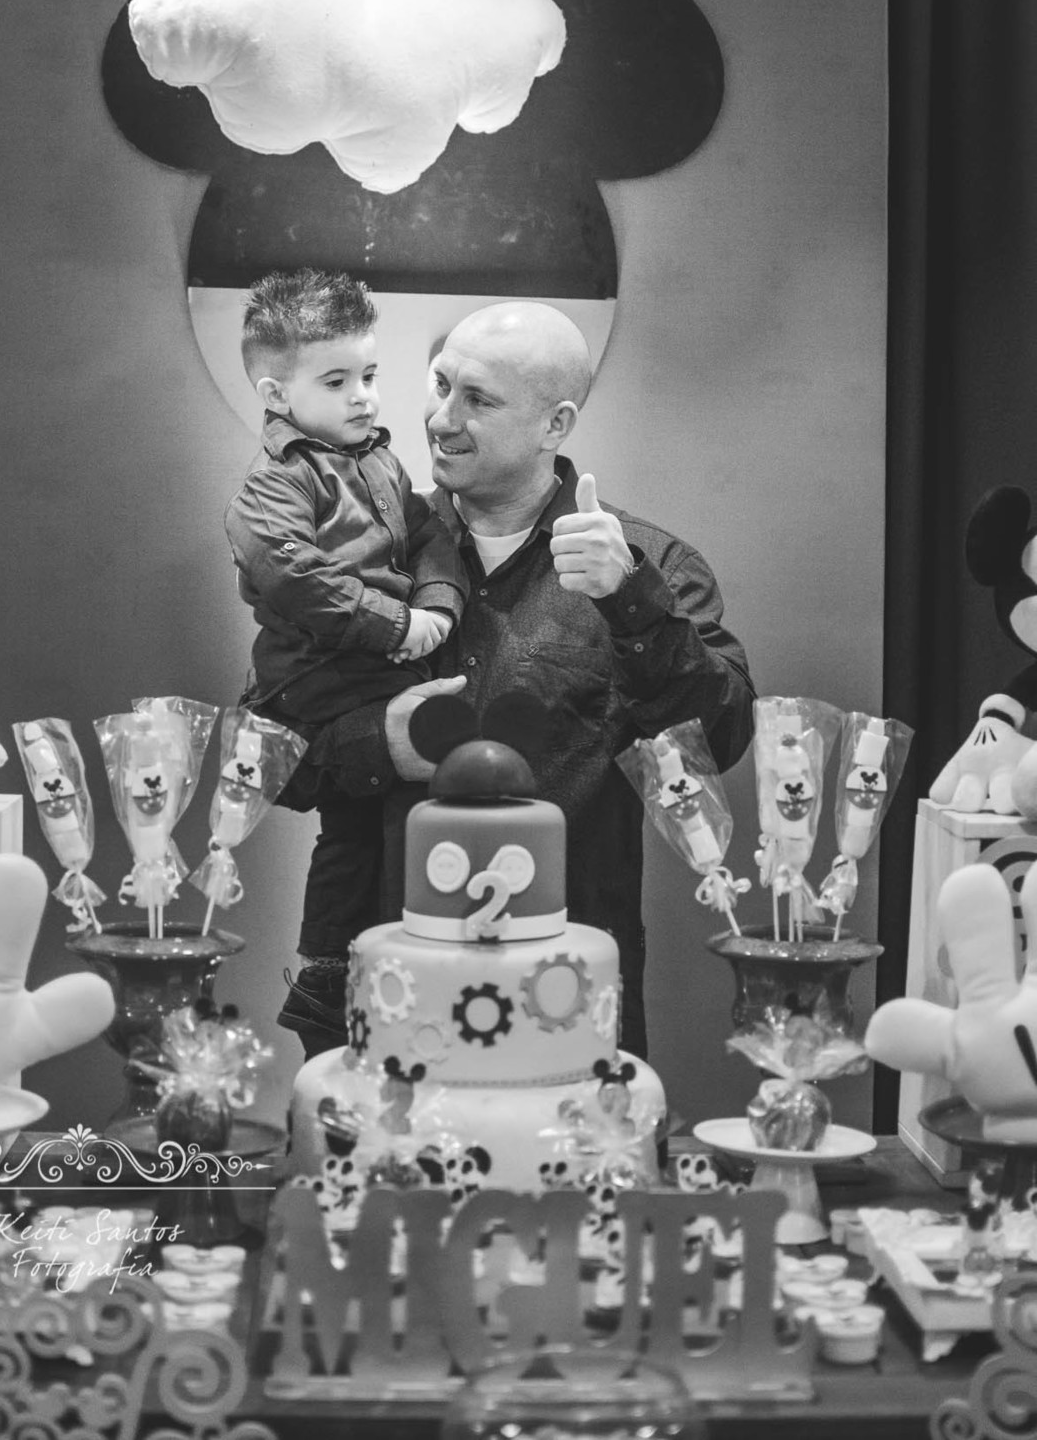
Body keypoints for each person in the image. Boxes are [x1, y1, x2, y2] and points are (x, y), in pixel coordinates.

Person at [276, 298, 755, 1060]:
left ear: (554, 425)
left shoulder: (649, 566)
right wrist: (379, 744)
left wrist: (631, 603)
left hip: (561, 991)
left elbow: (718, 740)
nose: (441, 419)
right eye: (441, 386)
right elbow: (265, 756)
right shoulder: (359, 556)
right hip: (373, 980)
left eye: (479, 400)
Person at [225, 270, 467, 1049]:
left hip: (380, 668)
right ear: (276, 394)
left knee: (388, 818)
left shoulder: (378, 460)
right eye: (336, 382)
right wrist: (396, 626)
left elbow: (427, 532)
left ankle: (400, 976)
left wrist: (438, 607)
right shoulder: (274, 485)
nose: (363, 397)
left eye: (368, 375)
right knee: (354, 825)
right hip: (314, 684)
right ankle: (329, 975)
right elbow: (294, 576)